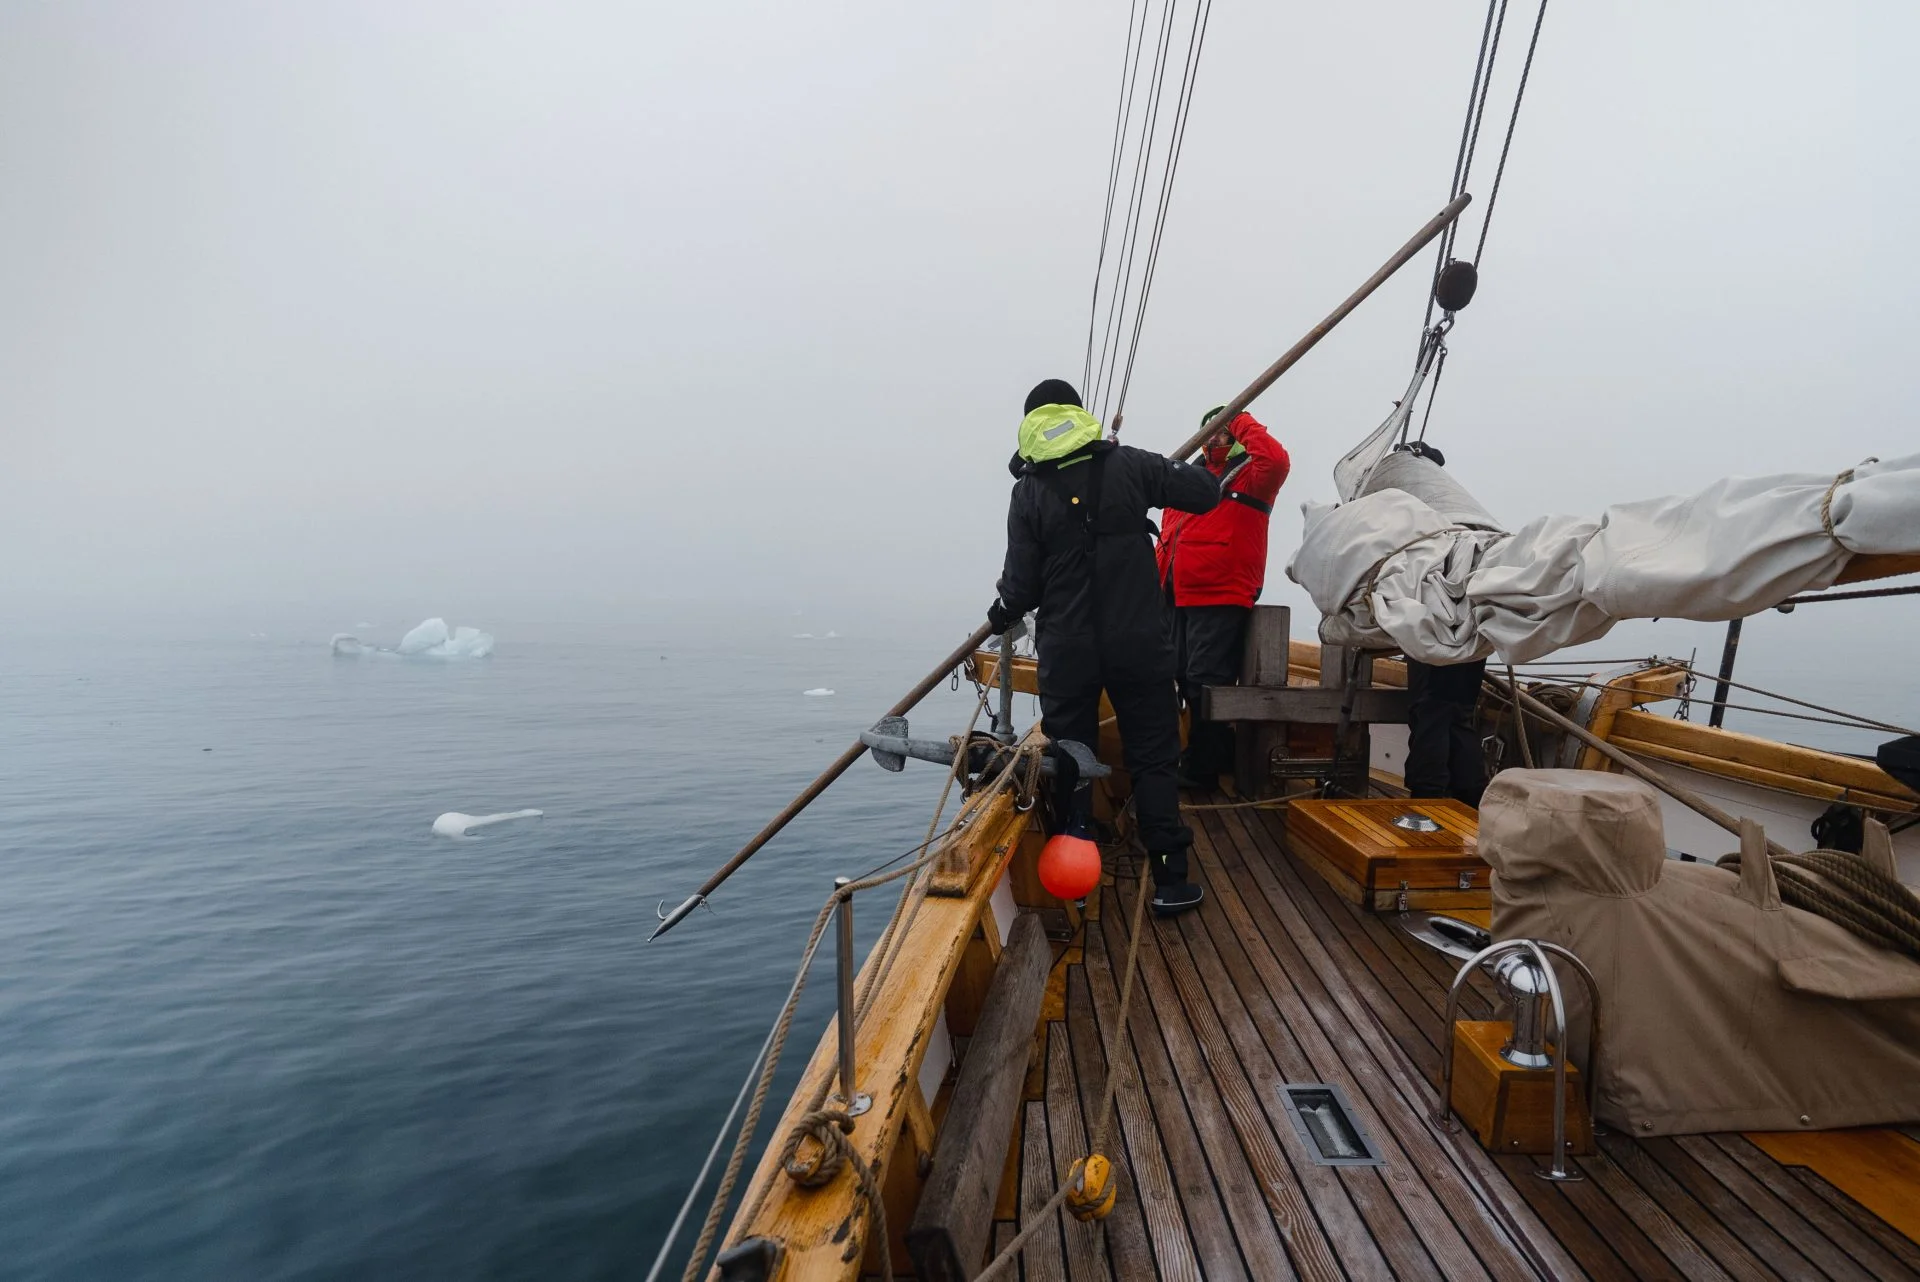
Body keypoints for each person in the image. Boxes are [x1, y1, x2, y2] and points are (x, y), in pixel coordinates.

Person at [988, 378, 1220, 915]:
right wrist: (1176, 469)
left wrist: (1001, 613)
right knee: (1154, 753)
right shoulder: (1129, 464)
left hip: (1067, 648)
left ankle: (1075, 874)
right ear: (1078, 414)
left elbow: (1021, 588)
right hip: (1139, 642)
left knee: (1072, 752)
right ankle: (1170, 879)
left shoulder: (1028, 491)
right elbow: (1204, 494)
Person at [1155, 405, 1291, 788]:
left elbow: (1276, 459)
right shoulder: (1190, 478)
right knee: (1180, 675)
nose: (1215, 436)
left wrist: (1237, 417)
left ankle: (1203, 770)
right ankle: (1211, 752)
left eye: (1222, 430)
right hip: (1175, 593)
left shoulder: (1253, 475)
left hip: (1218, 591)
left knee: (1206, 681)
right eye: (1210, 430)